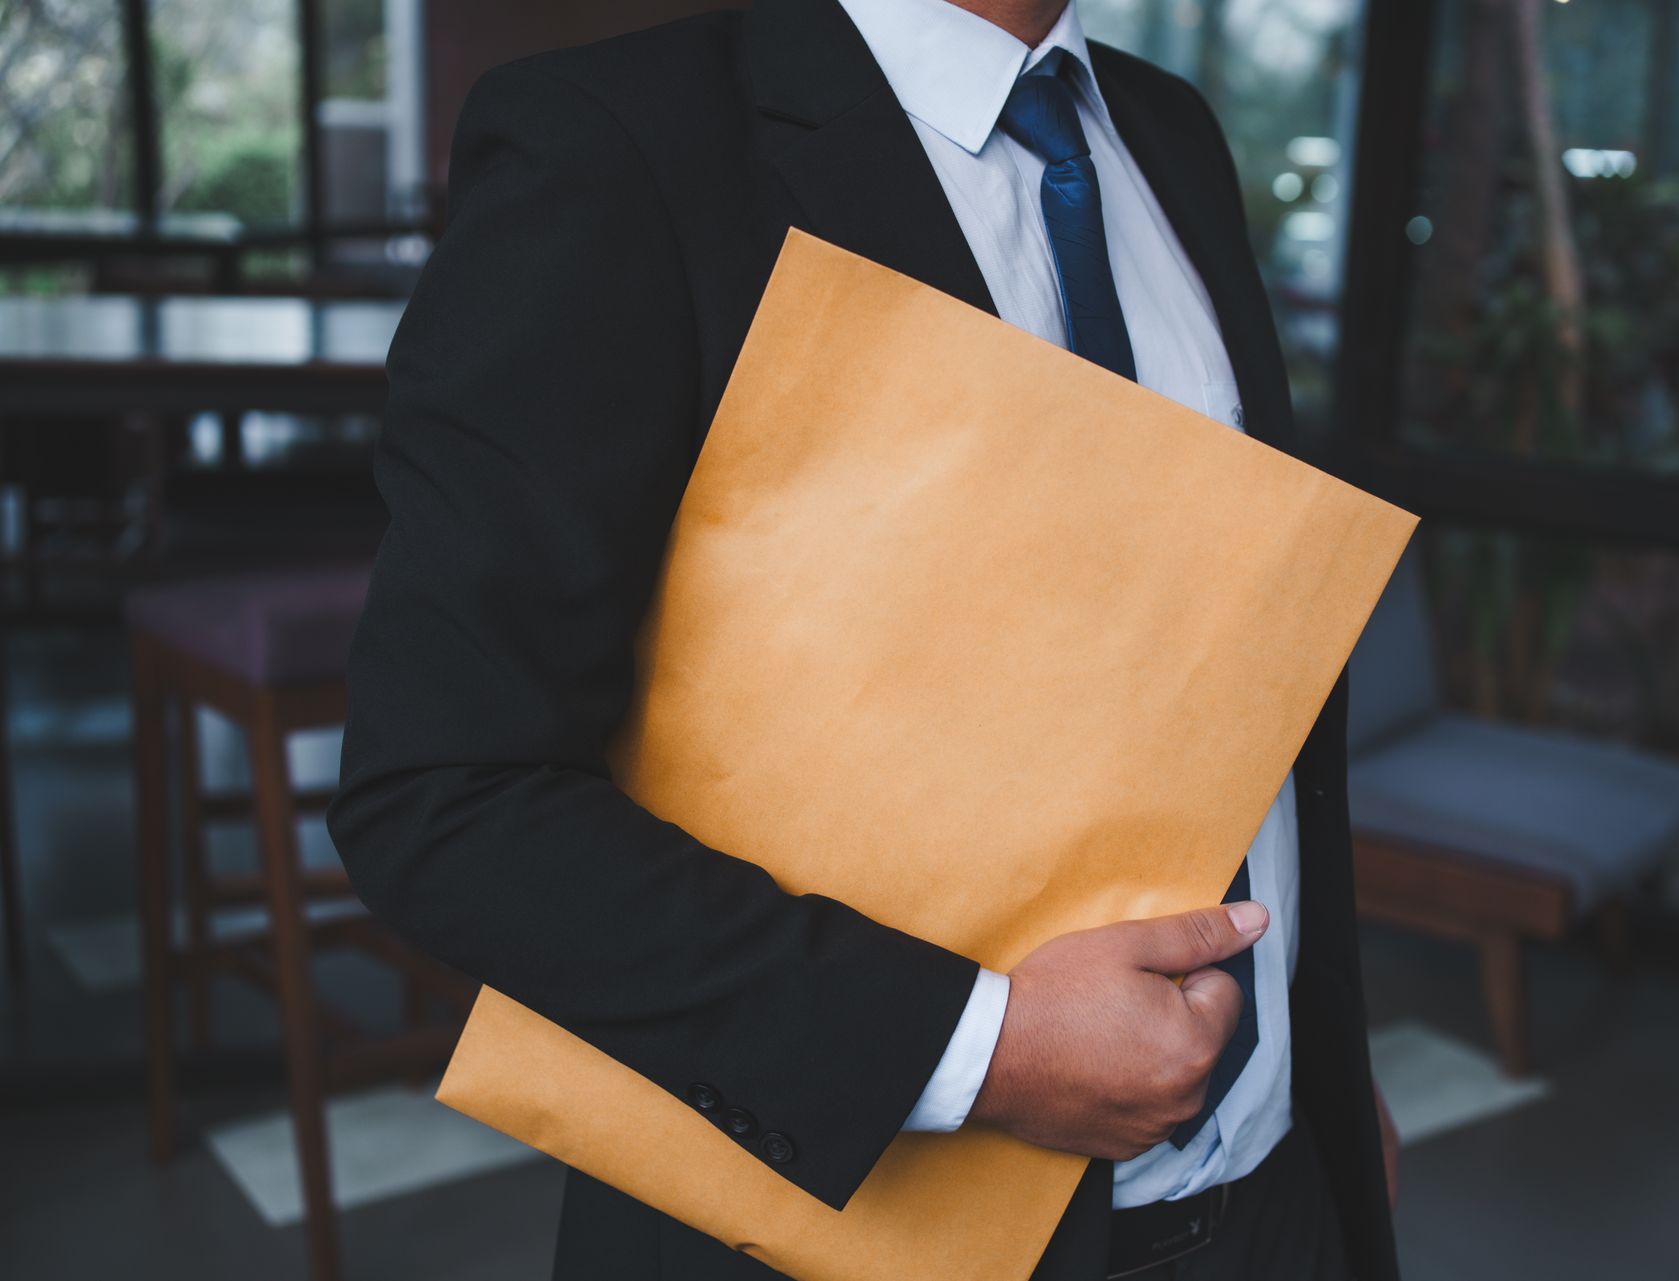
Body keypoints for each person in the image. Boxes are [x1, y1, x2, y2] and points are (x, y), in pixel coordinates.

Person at [330, 1, 1400, 1277]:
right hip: (840, 1232)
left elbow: (1240, 688)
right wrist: (977, 1049)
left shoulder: (1168, 131)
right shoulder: (616, 142)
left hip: (1274, 1201)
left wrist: (1329, 1084)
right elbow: (445, 794)